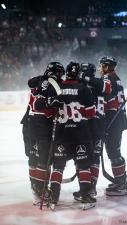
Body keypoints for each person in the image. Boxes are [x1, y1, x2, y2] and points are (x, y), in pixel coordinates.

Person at [47, 61, 97, 209]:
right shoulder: (84, 89)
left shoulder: (58, 87)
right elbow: (90, 113)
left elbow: (49, 112)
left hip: (62, 135)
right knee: (83, 166)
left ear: (67, 72)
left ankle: (53, 197)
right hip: (81, 134)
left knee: (58, 167)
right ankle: (87, 197)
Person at [27, 62, 65, 204]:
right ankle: (41, 190)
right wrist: (52, 102)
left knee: (34, 156)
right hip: (42, 123)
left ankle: (36, 187)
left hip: (30, 122)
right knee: (43, 158)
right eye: (60, 73)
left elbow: (30, 83)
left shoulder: (39, 80)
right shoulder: (52, 82)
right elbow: (40, 104)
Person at [73, 62, 111, 201]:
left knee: (82, 158)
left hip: (86, 127)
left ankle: (86, 189)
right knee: (94, 159)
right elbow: (106, 88)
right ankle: (90, 188)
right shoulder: (99, 84)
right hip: (99, 126)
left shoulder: (82, 86)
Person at [99, 56, 127, 196]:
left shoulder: (108, 79)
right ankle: (120, 181)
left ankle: (121, 185)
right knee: (114, 151)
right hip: (119, 120)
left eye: (101, 66)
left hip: (113, 121)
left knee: (113, 152)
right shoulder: (117, 78)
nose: (99, 68)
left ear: (105, 66)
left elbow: (108, 101)